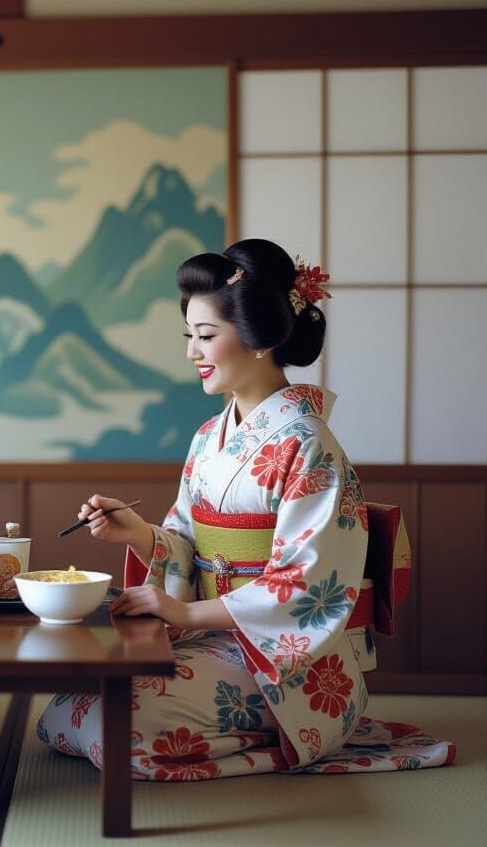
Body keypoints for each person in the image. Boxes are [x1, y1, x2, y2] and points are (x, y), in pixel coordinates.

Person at [37, 239, 453, 778]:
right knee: (70, 707)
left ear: (258, 341)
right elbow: (188, 543)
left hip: (289, 662)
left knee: (122, 724)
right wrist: (139, 533)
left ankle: (278, 743)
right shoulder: (209, 436)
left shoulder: (309, 445)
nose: (192, 352)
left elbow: (308, 583)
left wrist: (185, 613)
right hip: (215, 637)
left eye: (206, 336)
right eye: (190, 336)